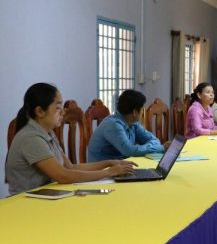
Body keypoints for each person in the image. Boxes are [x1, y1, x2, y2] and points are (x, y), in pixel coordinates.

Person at [5, 83, 136, 195]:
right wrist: (109, 173)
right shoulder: (31, 137)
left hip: (47, 196)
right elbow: (63, 176)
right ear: (40, 111)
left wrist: (107, 163)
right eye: (58, 108)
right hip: (26, 203)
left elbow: (71, 167)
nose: (63, 112)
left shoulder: (48, 132)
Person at [87, 90, 169, 162]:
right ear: (135, 112)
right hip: (101, 170)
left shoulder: (133, 123)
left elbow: (154, 140)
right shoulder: (113, 125)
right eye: (142, 110)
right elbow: (129, 150)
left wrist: (155, 146)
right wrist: (161, 148)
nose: (142, 113)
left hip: (119, 165)